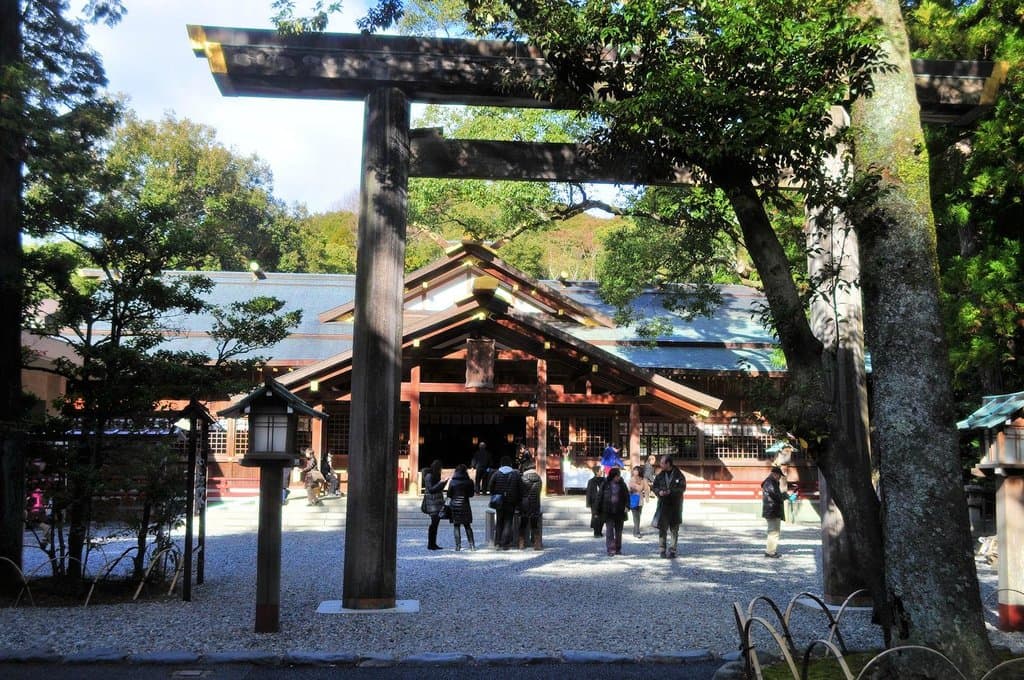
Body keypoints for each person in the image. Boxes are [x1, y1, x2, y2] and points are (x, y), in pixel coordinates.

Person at [652, 454, 686, 558]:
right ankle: (662, 549)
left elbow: (682, 488)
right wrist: (659, 492)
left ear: (668, 463)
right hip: (663, 505)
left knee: (674, 529)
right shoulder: (660, 475)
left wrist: (670, 492)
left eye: (662, 463)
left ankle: (673, 550)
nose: (660, 464)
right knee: (662, 528)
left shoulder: (679, 475)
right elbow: (655, 486)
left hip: (675, 505)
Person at [488, 455, 521, 550]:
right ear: (510, 464)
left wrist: (494, 493)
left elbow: (490, 486)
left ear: (501, 464)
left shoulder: (496, 473)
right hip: (511, 501)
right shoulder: (515, 474)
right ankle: (505, 543)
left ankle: (497, 542)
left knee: (499, 521)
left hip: (499, 501)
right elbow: (520, 487)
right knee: (508, 521)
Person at [599, 466, 630, 556]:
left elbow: (627, 496)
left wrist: (627, 506)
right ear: (613, 476)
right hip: (608, 511)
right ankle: (611, 549)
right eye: (617, 476)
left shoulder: (622, 484)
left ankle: (618, 548)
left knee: (618, 532)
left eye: (619, 476)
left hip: (620, 511)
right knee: (609, 531)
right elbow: (600, 496)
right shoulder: (605, 483)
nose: (618, 477)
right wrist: (597, 510)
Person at [446, 464, 476, 551]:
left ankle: (458, 546)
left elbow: (449, 495)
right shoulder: (469, 481)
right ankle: (472, 545)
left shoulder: (453, 481)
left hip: (454, 505)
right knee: (467, 526)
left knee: (456, 526)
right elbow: (471, 495)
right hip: (465, 505)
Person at [422, 459, 448, 550]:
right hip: (432, 503)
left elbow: (438, 488)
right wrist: (441, 483)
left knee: (435, 524)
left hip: (437, 503)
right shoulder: (429, 476)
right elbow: (431, 489)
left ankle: (433, 543)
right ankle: (431, 544)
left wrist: (444, 482)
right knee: (434, 524)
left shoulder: (435, 476)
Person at [519, 456, 543, 550]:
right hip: (535, 502)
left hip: (525, 503)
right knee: (534, 523)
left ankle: (521, 543)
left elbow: (520, 491)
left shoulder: (523, 478)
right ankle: (537, 543)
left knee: (523, 523)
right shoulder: (539, 479)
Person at [762, 465, 786, 558]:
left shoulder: (771, 482)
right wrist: (783, 496)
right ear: (774, 474)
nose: (780, 477)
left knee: (773, 531)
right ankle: (770, 552)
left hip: (772, 510)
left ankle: (770, 550)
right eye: (779, 475)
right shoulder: (770, 482)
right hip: (772, 510)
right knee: (773, 532)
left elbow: (775, 495)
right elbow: (775, 495)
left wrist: (783, 496)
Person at [627, 465, 650, 538]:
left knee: (638, 516)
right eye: (634, 470)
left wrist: (647, 498)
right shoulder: (631, 479)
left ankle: (635, 530)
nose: (634, 471)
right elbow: (631, 488)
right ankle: (637, 532)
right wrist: (637, 487)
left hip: (640, 500)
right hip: (633, 499)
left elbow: (646, 489)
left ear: (639, 471)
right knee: (635, 516)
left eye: (636, 470)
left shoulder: (644, 479)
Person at [585, 466, 605, 537]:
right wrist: (588, 503)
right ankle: (596, 532)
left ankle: (599, 531)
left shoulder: (604, 480)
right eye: (600, 470)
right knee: (595, 517)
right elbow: (589, 493)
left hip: (603, 502)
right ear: (596, 472)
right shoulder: (591, 481)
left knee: (602, 517)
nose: (601, 471)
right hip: (594, 502)